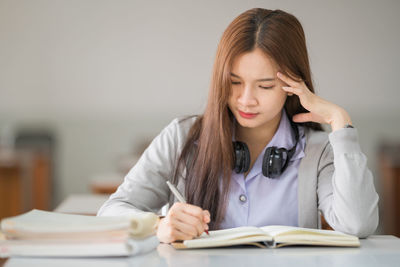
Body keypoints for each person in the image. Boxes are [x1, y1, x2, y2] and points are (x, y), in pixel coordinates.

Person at [97, 8, 379, 243]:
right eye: (234, 83)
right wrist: (159, 225)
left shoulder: (318, 151)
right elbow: (111, 211)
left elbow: (358, 224)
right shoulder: (181, 137)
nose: (246, 100)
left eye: (265, 86)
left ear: (293, 85)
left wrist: (340, 123)